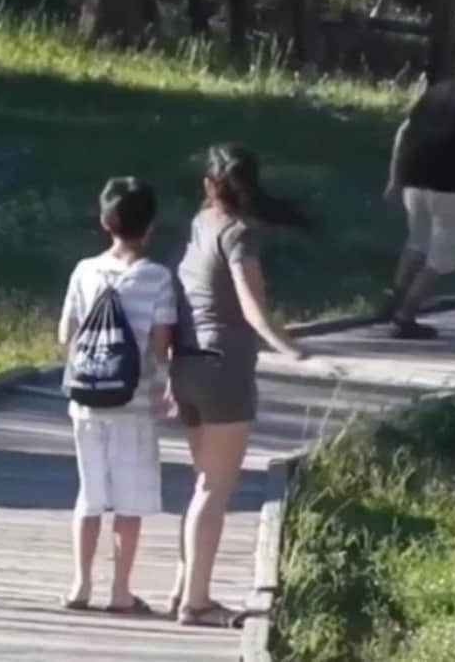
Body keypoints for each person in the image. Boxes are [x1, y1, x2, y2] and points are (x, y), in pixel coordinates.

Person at [167, 144, 312, 628]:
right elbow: (251, 307)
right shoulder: (238, 234)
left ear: (210, 186)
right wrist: (286, 346)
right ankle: (197, 602)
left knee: (201, 482)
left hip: (185, 365)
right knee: (215, 486)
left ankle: (182, 586)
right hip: (223, 368)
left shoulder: (198, 223)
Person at [56, 177, 176, 615]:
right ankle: (120, 590)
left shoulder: (84, 270)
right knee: (129, 501)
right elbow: (161, 346)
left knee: (89, 495)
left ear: (105, 221)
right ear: (151, 226)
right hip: (135, 404)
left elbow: (65, 334)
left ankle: (80, 585)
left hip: (86, 402)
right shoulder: (159, 278)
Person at [381, 32, 455, 340]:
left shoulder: (434, 92)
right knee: (445, 254)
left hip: (416, 180)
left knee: (417, 243)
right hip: (453, 184)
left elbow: (404, 133)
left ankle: (393, 299)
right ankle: (405, 316)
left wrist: (395, 180)